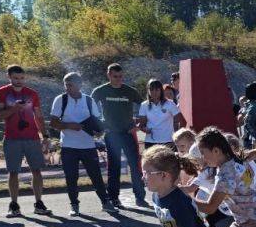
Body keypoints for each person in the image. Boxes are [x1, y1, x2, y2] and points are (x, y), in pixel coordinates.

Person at [49, 72, 114, 217]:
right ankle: (74, 205)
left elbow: (96, 124)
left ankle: (106, 202)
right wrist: (69, 125)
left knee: (96, 176)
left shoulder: (89, 101)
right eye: (66, 85)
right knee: (71, 178)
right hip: (68, 146)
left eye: (70, 85)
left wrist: (98, 132)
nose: (67, 88)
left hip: (88, 146)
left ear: (80, 85)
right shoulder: (61, 99)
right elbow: (53, 123)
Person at [0, 64, 49, 218]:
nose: (19, 81)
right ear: (9, 77)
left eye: (22, 78)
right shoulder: (1, 92)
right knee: (13, 172)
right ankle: (14, 204)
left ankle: (39, 203)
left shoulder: (32, 93)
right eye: (16, 78)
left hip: (32, 137)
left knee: (36, 171)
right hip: (12, 138)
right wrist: (14, 109)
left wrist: (45, 136)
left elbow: (38, 116)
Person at [91, 63, 148, 209]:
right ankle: (114, 198)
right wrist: (101, 125)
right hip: (111, 135)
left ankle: (140, 197)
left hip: (128, 133)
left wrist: (137, 126)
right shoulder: (100, 91)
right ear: (109, 75)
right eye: (115, 76)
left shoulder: (130, 91)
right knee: (114, 167)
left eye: (120, 76)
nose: (118, 79)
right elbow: (90, 109)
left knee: (135, 166)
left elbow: (145, 107)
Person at [138, 78, 185, 149]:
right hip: (150, 143)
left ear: (161, 91)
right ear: (148, 91)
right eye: (151, 90)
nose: (154, 92)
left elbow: (182, 120)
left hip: (168, 142)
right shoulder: (144, 105)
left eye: (157, 90)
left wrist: (178, 135)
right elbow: (141, 125)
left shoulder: (170, 104)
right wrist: (145, 129)